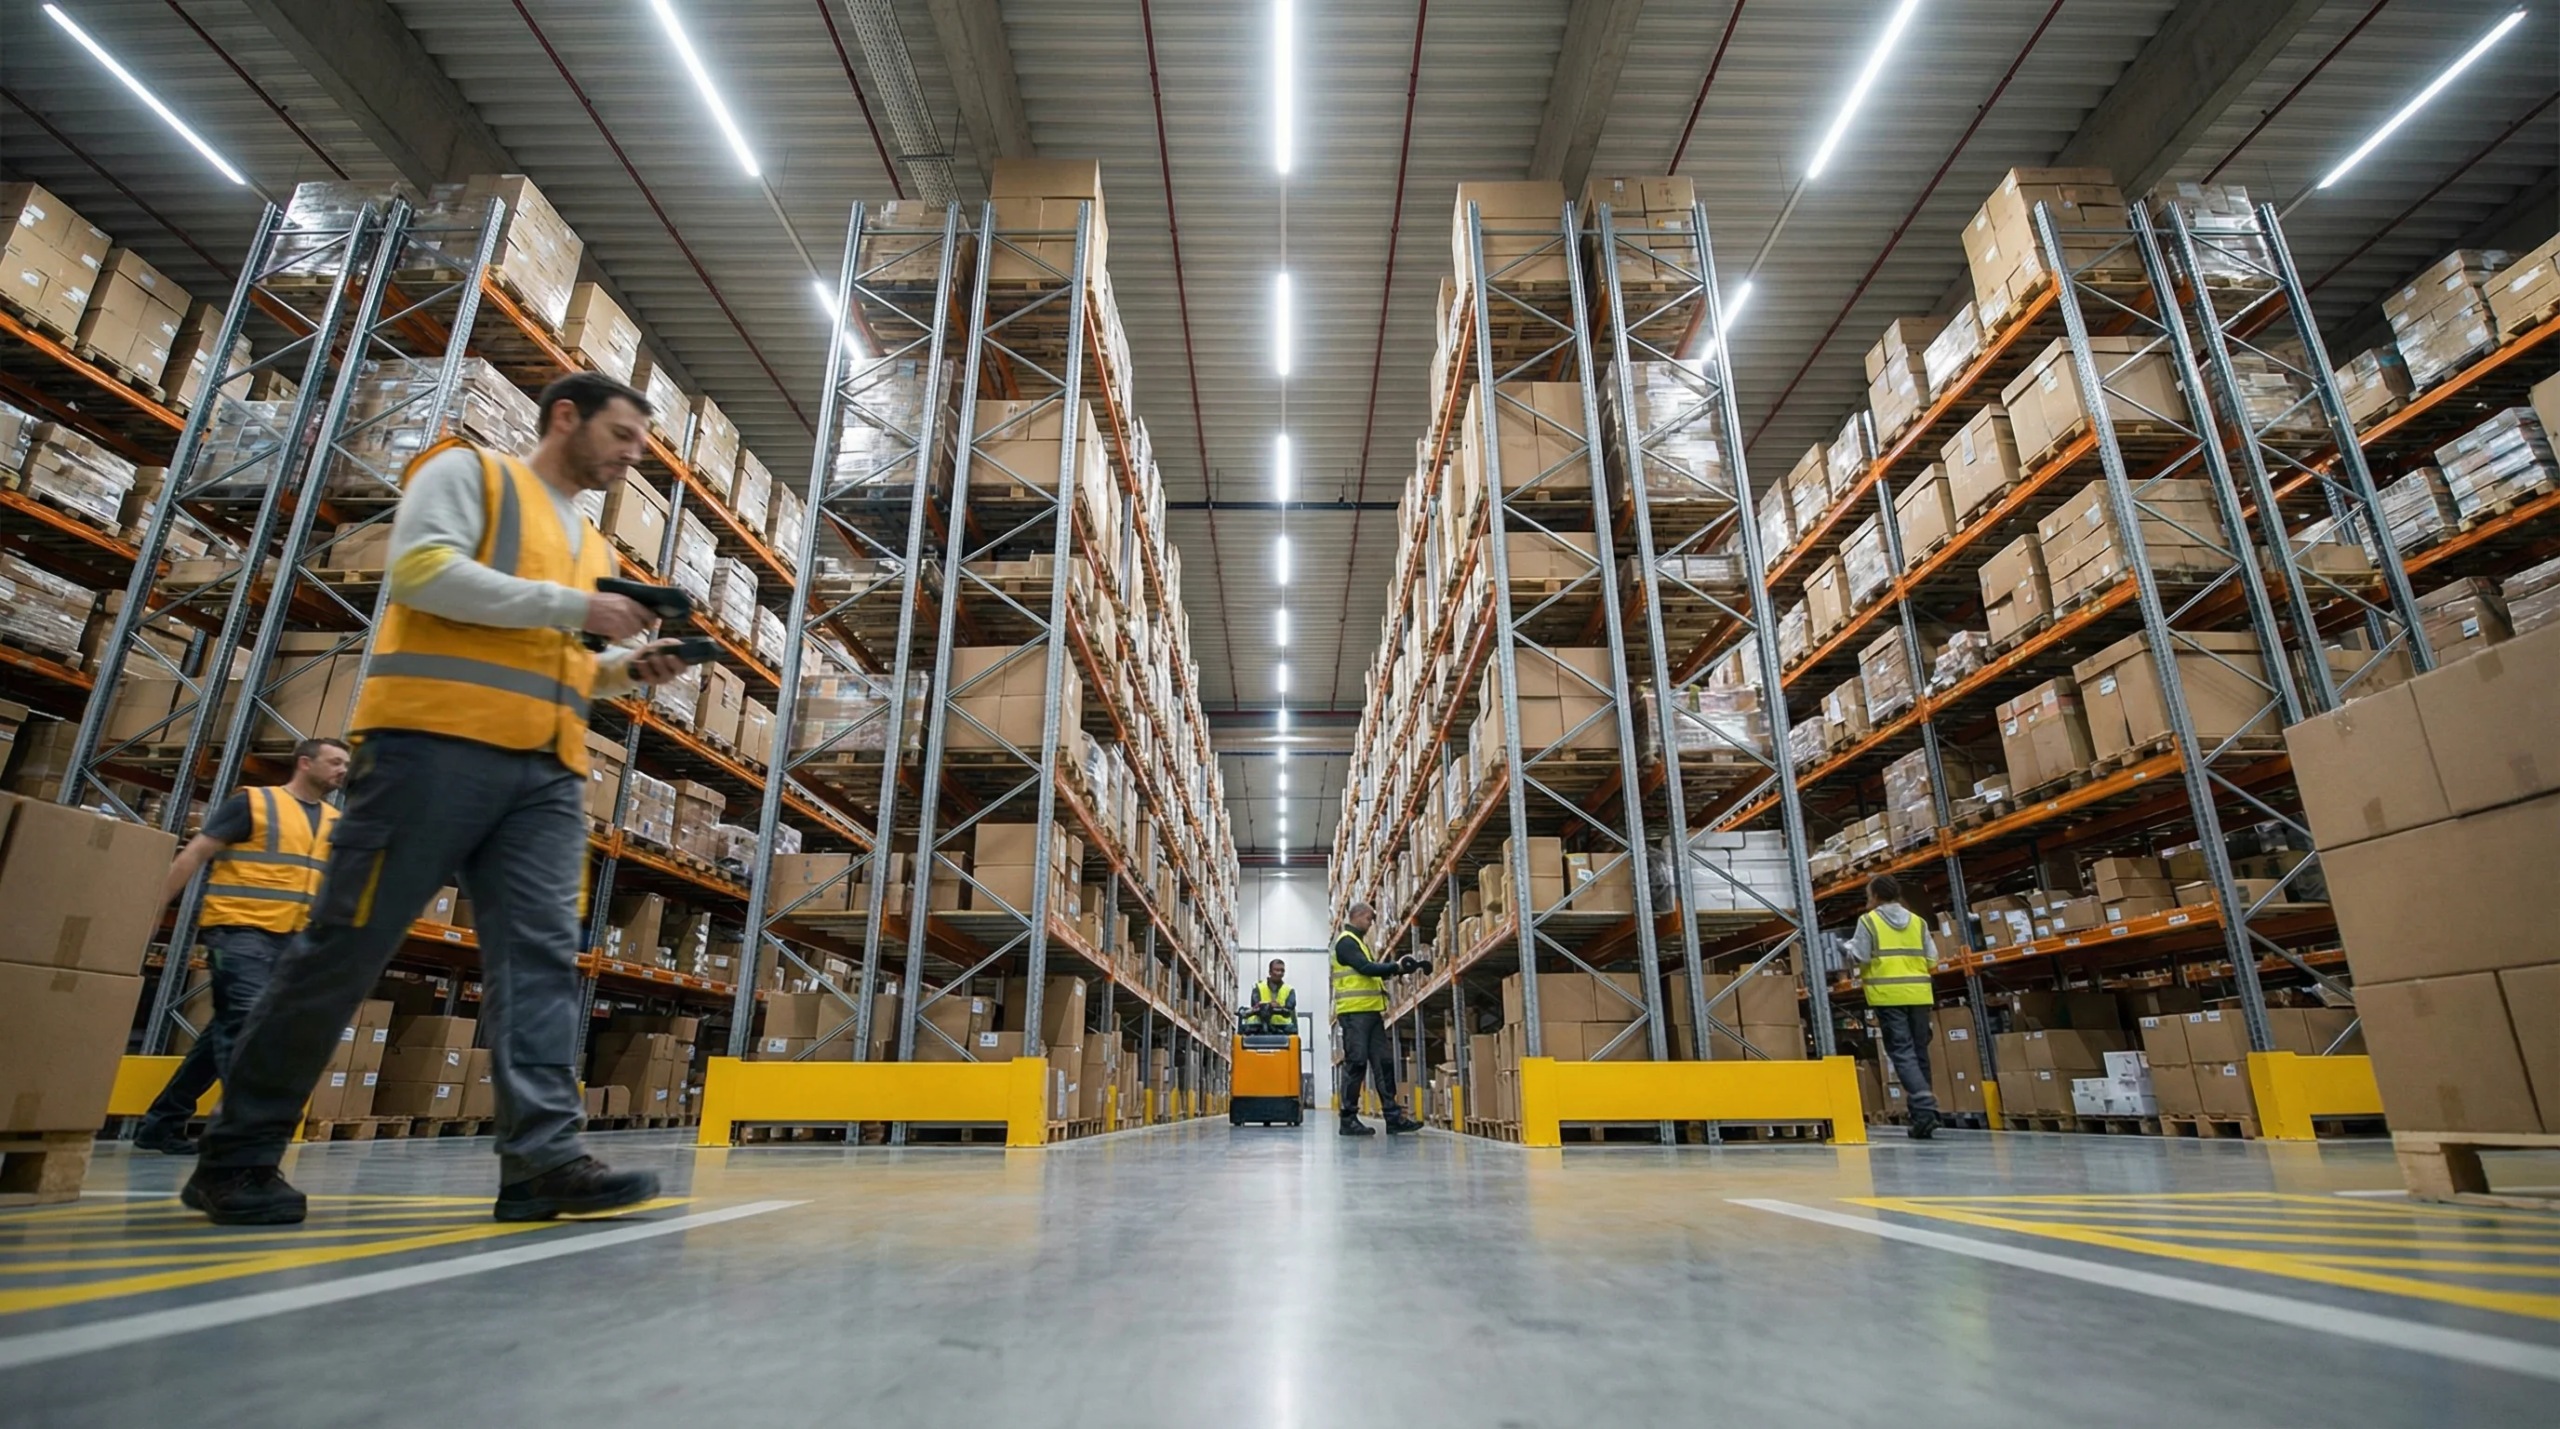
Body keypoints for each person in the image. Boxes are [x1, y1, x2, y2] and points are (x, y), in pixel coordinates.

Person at [185, 372, 692, 1226]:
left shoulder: (593, 549)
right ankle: (238, 1153)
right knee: (344, 948)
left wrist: (624, 668)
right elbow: (422, 575)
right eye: (622, 435)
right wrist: (580, 608)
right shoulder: (470, 476)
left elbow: (556, 656)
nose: (631, 455)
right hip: (429, 748)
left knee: (539, 965)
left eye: (640, 443)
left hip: (545, 772)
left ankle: (542, 1159)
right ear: (564, 416)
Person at [131, 738, 352, 1154]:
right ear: (305, 763)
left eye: (346, 764)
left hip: (294, 942)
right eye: (335, 761)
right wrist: (156, 908)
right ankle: (248, 1136)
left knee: (225, 1034)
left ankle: (161, 1124)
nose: (343, 770)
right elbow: (194, 855)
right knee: (249, 1025)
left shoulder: (333, 821)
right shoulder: (254, 804)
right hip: (239, 933)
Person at [1849, 873, 1942, 1140]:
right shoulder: (1918, 922)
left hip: (1888, 996)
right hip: (1919, 994)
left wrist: (1847, 950)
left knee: (1901, 1052)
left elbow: (1861, 955)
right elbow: (1932, 960)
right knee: (1919, 1052)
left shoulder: (1869, 921)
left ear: (1875, 896)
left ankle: (1924, 1106)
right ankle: (1925, 1117)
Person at [1332, 903, 1427, 1137]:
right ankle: (1348, 1119)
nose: (1371, 923)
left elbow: (1373, 971)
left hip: (1371, 1013)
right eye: (1369, 918)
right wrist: (1394, 966)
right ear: (1357, 916)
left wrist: (1399, 970)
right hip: (1354, 1014)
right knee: (1356, 1064)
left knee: (1384, 1064)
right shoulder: (1346, 942)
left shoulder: (1360, 943)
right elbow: (1365, 968)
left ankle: (1393, 1118)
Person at [1245, 958, 1296, 1036]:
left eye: (1282, 970)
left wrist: (1281, 1008)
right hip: (1258, 1029)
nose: (1279, 973)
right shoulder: (1258, 988)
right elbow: (1255, 1004)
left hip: (1284, 1030)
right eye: (1276, 970)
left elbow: (1289, 1008)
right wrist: (1269, 1005)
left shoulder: (1289, 990)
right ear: (1270, 972)